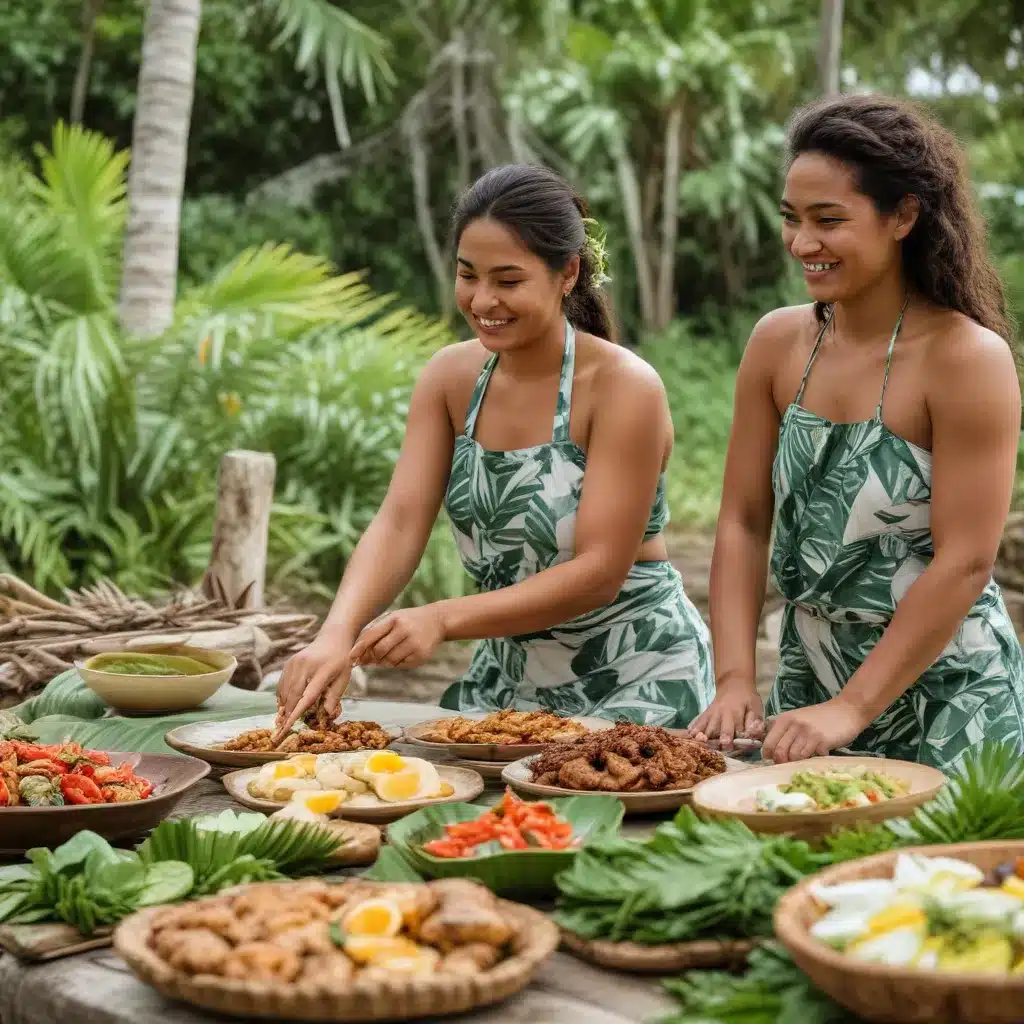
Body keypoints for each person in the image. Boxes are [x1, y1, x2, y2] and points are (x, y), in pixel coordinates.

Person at [275, 163, 714, 736]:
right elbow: (402, 520)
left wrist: (442, 617)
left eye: (508, 281)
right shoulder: (451, 379)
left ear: (567, 274)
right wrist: (336, 633)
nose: (483, 300)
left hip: (637, 675)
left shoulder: (623, 387)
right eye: (468, 275)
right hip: (507, 682)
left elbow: (600, 571)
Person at [690, 94, 1024, 772]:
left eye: (828, 219)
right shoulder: (777, 344)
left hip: (947, 697)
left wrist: (852, 708)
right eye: (791, 218)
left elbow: (965, 561)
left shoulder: (966, 358)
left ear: (903, 216)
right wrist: (734, 680)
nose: (802, 242)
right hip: (807, 687)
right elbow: (744, 521)